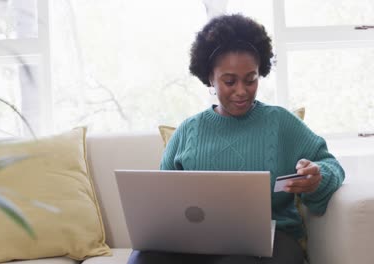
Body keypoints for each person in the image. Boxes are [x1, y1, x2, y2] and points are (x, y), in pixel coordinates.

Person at [128, 14, 345, 264]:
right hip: (198, 244)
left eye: (251, 79)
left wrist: (317, 177)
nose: (241, 91)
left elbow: (331, 165)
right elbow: (162, 203)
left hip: (272, 241)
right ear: (210, 77)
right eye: (229, 81)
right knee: (141, 259)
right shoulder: (188, 131)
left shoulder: (280, 122)